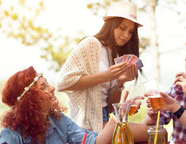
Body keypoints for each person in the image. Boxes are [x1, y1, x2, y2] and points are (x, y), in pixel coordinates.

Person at [0, 66, 147, 144]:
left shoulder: (58, 121)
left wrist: (118, 116)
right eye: (43, 87)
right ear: (29, 100)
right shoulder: (11, 135)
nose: (52, 88)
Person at [57, 1, 143, 133]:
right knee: (150, 132)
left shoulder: (115, 54)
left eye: (131, 31)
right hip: (85, 125)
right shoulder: (91, 43)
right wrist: (105, 76)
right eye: (122, 28)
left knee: (153, 131)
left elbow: (109, 109)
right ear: (111, 25)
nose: (126, 35)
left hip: (104, 120)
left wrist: (120, 83)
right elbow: (62, 83)